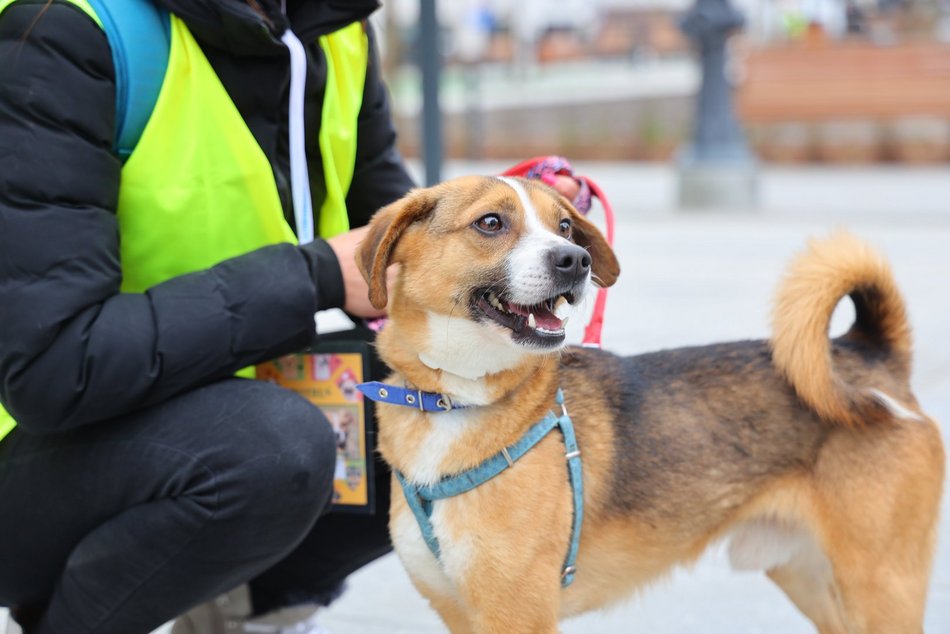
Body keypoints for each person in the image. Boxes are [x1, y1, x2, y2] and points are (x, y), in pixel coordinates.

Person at [0, 1, 582, 633]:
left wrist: (505, 235)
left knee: (461, 410)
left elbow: (401, 255)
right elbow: (55, 369)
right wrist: (316, 275)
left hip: (227, 397)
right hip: (40, 451)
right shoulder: (69, 30)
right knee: (273, 450)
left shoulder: (336, 29)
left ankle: (245, 610)